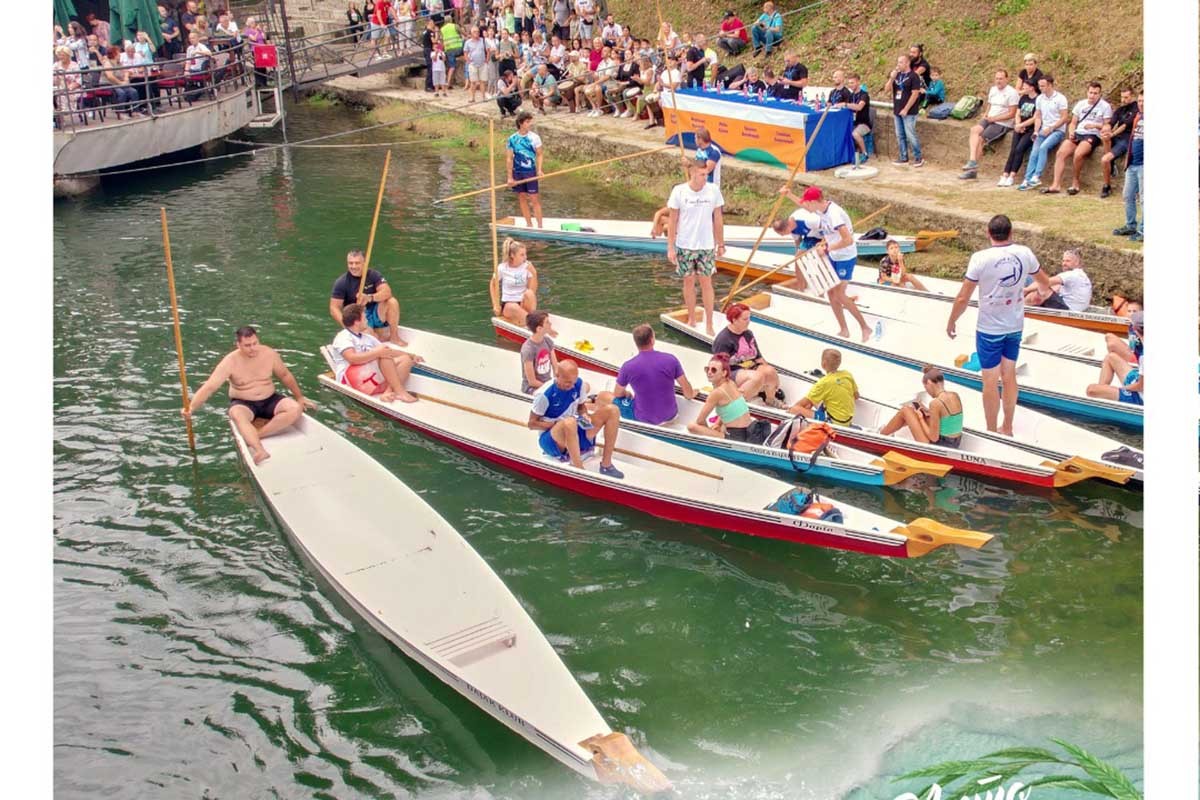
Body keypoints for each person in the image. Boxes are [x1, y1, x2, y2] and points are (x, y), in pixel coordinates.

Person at [946, 214, 1052, 435]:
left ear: (988, 233)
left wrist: (952, 320)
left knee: (990, 380)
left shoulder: (980, 258)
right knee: (1009, 374)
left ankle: (991, 430)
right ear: (1011, 233)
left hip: (989, 328)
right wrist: (1040, 293)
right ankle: (1008, 426)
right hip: (1014, 325)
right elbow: (1044, 282)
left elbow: (963, 297)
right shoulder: (1025, 253)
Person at [184, 326, 316, 464]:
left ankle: (257, 434)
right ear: (238, 345)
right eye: (247, 345)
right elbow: (210, 387)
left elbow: (285, 375)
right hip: (244, 402)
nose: (252, 348)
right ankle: (259, 449)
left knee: (295, 408)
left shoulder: (269, 354)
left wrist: (299, 397)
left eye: (255, 343)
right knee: (236, 414)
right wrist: (191, 408)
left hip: (270, 399)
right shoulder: (230, 361)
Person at [791, 186, 872, 341]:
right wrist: (788, 194)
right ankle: (844, 329)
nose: (806, 207)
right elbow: (803, 206)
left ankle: (865, 327)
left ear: (814, 201)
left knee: (840, 294)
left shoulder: (834, 215)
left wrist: (828, 248)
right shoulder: (820, 209)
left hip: (845, 257)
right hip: (834, 255)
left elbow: (848, 240)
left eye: (808, 203)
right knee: (830, 292)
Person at [528, 359, 624, 477]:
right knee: (569, 422)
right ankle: (578, 468)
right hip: (552, 437)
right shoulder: (544, 394)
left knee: (612, 410)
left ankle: (606, 464)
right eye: (568, 382)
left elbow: (581, 407)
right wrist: (555, 424)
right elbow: (531, 424)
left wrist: (585, 415)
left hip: (574, 425)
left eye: (574, 381)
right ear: (557, 376)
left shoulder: (578, 384)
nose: (572, 385)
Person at [667, 159, 725, 336]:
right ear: (692, 173)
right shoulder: (679, 191)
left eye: (706, 173)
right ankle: (691, 316)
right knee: (688, 281)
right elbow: (672, 220)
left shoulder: (713, 190)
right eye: (702, 174)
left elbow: (718, 218)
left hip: (706, 245)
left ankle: (709, 322)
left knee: (707, 282)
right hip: (685, 244)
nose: (705, 177)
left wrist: (720, 243)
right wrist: (670, 247)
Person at [331, 304, 421, 403]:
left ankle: (388, 392)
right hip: (350, 380)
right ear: (357, 321)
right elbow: (352, 359)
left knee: (405, 360)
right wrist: (377, 353)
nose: (367, 320)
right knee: (383, 354)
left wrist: (411, 356)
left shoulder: (368, 338)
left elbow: (388, 351)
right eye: (365, 317)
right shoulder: (343, 337)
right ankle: (399, 391)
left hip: (369, 378)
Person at [613, 324, 696, 424]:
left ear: (636, 343)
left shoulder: (628, 366)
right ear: (652, 340)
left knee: (605, 397)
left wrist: (627, 394)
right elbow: (687, 392)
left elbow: (617, 393)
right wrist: (691, 393)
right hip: (671, 415)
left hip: (643, 418)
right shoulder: (671, 360)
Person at [1043, 81, 1112, 195]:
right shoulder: (1081, 104)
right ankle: (1056, 184)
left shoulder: (1105, 106)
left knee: (1078, 154)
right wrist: (1071, 132)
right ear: (1087, 92)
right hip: (1079, 132)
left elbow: (1107, 126)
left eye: (1095, 93)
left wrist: (1095, 125)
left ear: (1099, 94)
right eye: (1090, 92)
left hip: (1092, 134)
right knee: (1061, 153)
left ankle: (1075, 182)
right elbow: (1073, 122)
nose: (1092, 95)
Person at [712, 303, 785, 407]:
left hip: (750, 368)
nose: (748, 322)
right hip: (731, 372)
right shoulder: (723, 340)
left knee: (770, 371)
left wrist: (773, 377)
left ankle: (770, 399)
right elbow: (718, 367)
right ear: (734, 320)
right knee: (757, 376)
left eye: (749, 318)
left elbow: (758, 357)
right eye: (745, 319)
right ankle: (738, 403)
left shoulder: (748, 334)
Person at [329, 249, 406, 346]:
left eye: (357, 263)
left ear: (364, 263)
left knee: (392, 301)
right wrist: (348, 326)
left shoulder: (374, 275)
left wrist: (370, 298)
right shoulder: (341, 282)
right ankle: (376, 336)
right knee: (375, 341)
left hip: (375, 313)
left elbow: (387, 292)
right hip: (359, 318)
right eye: (350, 263)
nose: (353, 266)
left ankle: (394, 337)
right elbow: (334, 308)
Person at [687, 353, 767, 441]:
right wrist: (717, 424)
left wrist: (708, 432)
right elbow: (730, 408)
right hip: (747, 430)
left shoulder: (716, 393)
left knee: (692, 426)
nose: (709, 372)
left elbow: (700, 421)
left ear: (724, 373)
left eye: (714, 370)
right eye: (707, 369)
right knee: (717, 424)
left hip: (735, 437)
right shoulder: (731, 383)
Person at [880, 366, 963, 447]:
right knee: (919, 413)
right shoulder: (955, 395)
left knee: (905, 410)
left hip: (941, 446)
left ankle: (880, 435)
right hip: (956, 442)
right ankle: (888, 431)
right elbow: (946, 418)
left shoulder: (935, 403)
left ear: (929, 383)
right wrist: (927, 411)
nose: (927, 391)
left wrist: (920, 418)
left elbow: (934, 438)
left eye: (925, 387)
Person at [959, 69, 1019, 179]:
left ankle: (972, 171)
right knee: (974, 130)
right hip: (990, 118)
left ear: (1007, 79)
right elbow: (990, 105)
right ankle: (972, 160)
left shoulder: (1012, 93)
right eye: (997, 78)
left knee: (981, 139)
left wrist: (995, 118)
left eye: (1001, 78)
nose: (998, 81)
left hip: (1002, 123)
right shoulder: (993, 90)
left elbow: (1012, 113)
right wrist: (986, 115)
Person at [1017, 74, 1068, 191]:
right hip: (1043, 129)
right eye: (1039, 86)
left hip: (1057, 131)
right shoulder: (1040, 98)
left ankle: (1036, 176)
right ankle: (1027, 178)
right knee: (1034, 151)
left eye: (1043, 86)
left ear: (1050, 85)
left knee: (1043, 147)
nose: (1040, 88)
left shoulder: (1060, 98)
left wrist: (1051, 128)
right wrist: (1036, 131)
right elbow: (1038, 116)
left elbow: (1064, 117)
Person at [787, 348, 858, 425]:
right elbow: (856, 396)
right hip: (847, 421)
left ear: (823, 364)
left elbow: (798, 405)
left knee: (794, 409)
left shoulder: (823, 382)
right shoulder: (847, 374)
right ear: (839, 363)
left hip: (833, 422)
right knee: (813, 402)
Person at [1086, 311, 1143, 405]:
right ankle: (1103, 392)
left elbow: (1141, 387)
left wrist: (1122, 388)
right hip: (1137, 380)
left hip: (1139, 396)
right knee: (1111, 357)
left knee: (1091, 390)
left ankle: (1102, 392)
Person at [1112, 92, 1144, 242]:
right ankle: (1131, 225)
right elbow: (1132, 138)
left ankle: (1144, 230)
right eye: (1139, 101)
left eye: (1144, 101)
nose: (1141, 104)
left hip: (1144, 165)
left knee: (1144, 199)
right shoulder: (1138, 117)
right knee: (1128, 195)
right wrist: (1128, 159)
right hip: (1133, 163)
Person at [998, 78, 1039, 186]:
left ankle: (1012, 175)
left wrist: (1022, 125)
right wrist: (1018, 124)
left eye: (1025, 86)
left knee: (1020, 149)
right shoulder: (1023, 98)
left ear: (1032, 87)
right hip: (1019, 127)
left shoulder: (1038, 99)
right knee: (1013, 150)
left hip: (1030, 129)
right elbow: (1018, 113)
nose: (1023, 88)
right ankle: (1005, 174)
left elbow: (1035, 118)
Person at [885, 54, 924, 167]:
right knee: (900, 135)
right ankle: (903, 157)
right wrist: (891, 77)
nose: (898, 65)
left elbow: (915, 94)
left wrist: (906, 109)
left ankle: (918, 157)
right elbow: (887, 89)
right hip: (897, 109)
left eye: (901, 62)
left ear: (907, 63)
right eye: (898, 62)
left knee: (910, 134)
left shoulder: (914, 76)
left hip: (909, 111)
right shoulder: (897, 76)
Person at [506, 111, 544, 227]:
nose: (529, 124)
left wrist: (539, 170)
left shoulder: (534, 137)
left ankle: (540, 226)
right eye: (527, 122)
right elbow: (509, 158)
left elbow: (540, 154)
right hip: (517, 172)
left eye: (530, 122)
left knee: (534, 199)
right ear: (521, 123)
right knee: (522, 197)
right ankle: (529, 224)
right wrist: (510, 177)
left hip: (530, 172)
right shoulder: (512, 139)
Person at [493, 237, 542, 324]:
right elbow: (493, 284)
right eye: (522, 255)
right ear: (512, 255)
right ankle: (532, 323)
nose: (525, 257)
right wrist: (496, 305)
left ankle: (526, 320)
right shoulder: (502, 267)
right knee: (514, 307)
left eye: (525, 254)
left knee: (529, 293)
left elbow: (532, 291)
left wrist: (534, 273)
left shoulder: (527, 266)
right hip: (509, 305)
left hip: (523, 302)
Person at [1100, 87, 1137, 198]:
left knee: (1104, 159)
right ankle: (1111, 164)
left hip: (1127, 139)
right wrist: (1106, 129)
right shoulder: (1120, 109)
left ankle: (1106, 185)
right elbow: (1111, 122)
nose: (1123, 100)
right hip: (1117, 137)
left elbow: (1125, 124)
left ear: (1132, 97)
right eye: (1122, 97)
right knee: (1105, 137)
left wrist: (1112, 134)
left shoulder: (1136, 108)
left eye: (1126, 97)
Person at [1024, 249, 1092, 311]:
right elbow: (1055, 287)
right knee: (1031, 278)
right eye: (1063, 261)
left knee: (1042, 292)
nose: (1064, 264)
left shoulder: (1073, 275)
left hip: (1069, 311)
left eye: (1068, 261)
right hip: (1068, 306)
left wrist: (1026, 290)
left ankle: (1020, 309)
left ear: (1077, 262)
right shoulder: (1080, 275)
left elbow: (1045, 282)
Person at [521, 310, 558, 393]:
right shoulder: (528, 349)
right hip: (532, 388)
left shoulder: (548, 341)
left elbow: (556, 368)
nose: (551, 324)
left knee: (581, 385)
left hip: (548, 383)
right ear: (539, 329)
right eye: (547, 322)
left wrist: (560, 382)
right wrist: (552, 387)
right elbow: (532, 382)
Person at [841, 72, 872, 164]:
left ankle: (864, 153)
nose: (851, 85)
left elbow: (859, 107)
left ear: (858, 82)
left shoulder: (864, 95)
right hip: (852, 123)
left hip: (864, 124)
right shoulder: (851, 96)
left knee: (855, 134)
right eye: (849, 83)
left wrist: (846, 104)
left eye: (852, 83)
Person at [462, 25, 489, 101]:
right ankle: (472, 97)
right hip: (473, 64)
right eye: (474, 32)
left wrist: (487, 59)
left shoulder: (483, 40)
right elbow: (465, 52)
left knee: (482, 81)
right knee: (473, 82)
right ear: (471, 33)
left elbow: (488, 50)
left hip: (482, 64)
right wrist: (468, 60)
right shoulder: (468, 42)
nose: (476, 33)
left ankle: (483, 97)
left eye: (477, 31)